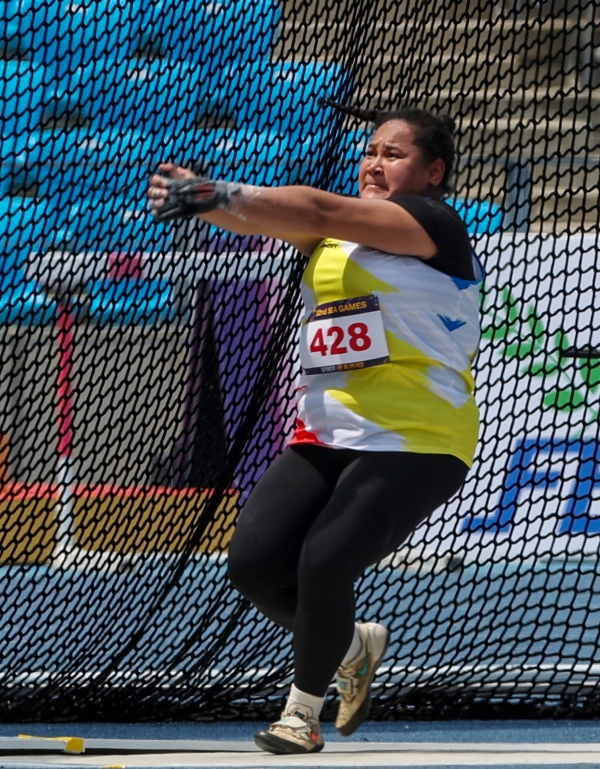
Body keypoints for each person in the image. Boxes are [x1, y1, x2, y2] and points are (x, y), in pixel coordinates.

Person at [146, 104, 483, 753]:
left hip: (418, 438)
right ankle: (352, 642)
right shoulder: (331, 241)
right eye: (371, 150)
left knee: (325, 560)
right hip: (326, 433)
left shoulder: (433, 224)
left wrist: (219, 190)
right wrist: (202, 203)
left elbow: (321, 210)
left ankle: (301, 716)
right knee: (253, 566)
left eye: (394, 154)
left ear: (433, 171)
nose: (375, 163)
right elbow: (291, 219)